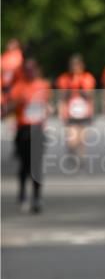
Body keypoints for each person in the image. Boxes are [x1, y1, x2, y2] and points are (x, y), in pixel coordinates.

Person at [3, 57, 51, 212]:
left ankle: (37, 198)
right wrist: (17, 103)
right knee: (24, 164)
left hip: (37, 130)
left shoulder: (43, 85)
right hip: (23, 129)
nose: (30, 72)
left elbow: (46, 105)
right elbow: (7, 109)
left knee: (36, 165)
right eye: (27, 69)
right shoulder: (18, 87)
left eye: (33, 69)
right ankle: (22, 193)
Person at [55, 54, 96, 161]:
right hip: (70, 112)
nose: (75, 68)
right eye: (73, 65)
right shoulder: (64, 79)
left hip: (84, 112)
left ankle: (80, 159)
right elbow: (62, 97)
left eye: (77, 65)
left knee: (82, 139)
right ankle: (71, 151)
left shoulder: (88, 78)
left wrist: (79, 84)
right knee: (72, 140)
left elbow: (90, 95)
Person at [1, 38, 24, 106]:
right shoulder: (5, 55)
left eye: (12, 44)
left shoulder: (18, 55)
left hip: (13, 82)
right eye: (10, 43)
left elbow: (14, 68)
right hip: (4, 82)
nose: (10, 45)